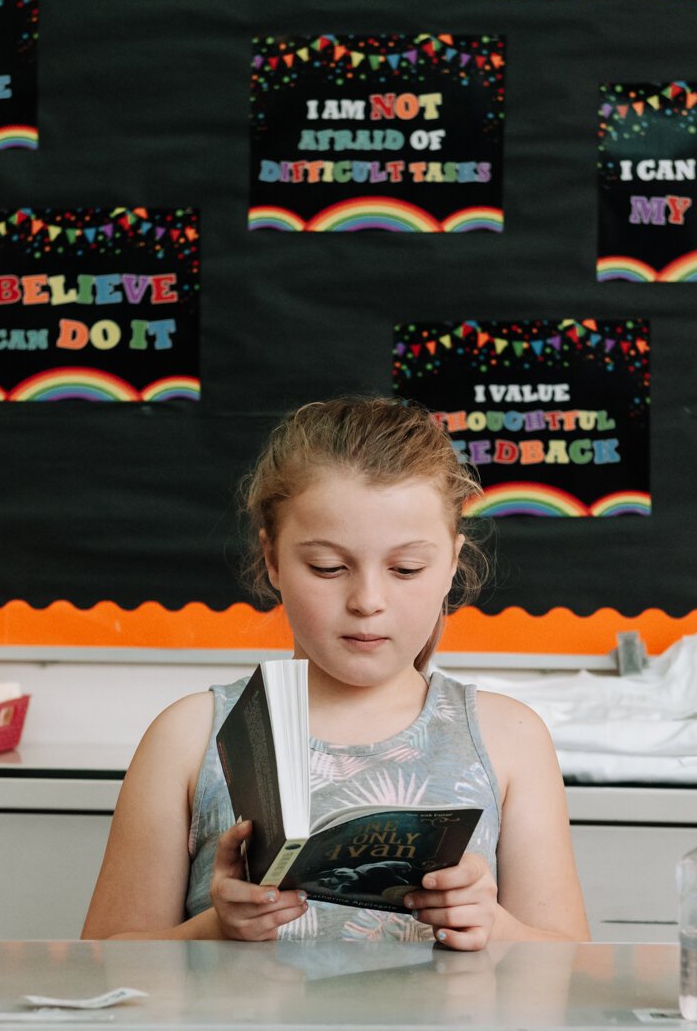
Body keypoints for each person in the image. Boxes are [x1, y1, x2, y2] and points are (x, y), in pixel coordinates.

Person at [82, 396, 589, 949]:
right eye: (327, 568)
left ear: (450, 565)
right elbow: (102, 966)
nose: (368, 600)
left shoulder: (508, 738)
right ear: (272, 560)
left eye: (406, 568)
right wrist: (211, 930)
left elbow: (571, 969)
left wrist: (497, 928)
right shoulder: (189, 736)